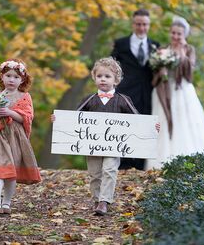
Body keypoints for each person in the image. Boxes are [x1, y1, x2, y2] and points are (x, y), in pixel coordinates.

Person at [51, 57, 160, 215]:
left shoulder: (123, 100)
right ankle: (97, 199)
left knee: (109, 170)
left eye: (107, 76)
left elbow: (138, 120)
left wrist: (151, 127)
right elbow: (73, 120)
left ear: (116, 80)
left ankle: (104, 201)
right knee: (94, 174)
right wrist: (59, 121)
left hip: (113, 146)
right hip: (92, 146)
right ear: (94, 77)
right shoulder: (88, 100)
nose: (103, 79)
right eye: (100, 76)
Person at [145, 16, 204, 170]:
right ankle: (160, 163)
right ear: (170, 33)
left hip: (182, 92)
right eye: (173, 33)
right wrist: (161, 70)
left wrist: (182, 55)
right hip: (164, 92)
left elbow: (190, 74)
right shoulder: (162, 50)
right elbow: (154, 72)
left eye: (179, 34)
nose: (176, 37)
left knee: (183, 124)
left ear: (185, 35)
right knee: (162, 125)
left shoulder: (189, 50)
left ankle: (186, 162)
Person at [0, 58, 42, 216]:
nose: (11, 79)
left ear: (22, 79)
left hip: (16, 136)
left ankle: (6, 202)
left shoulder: (25, 97)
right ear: (2, 77)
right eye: (8, 76)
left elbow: (27, 116)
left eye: (16, 77)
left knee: (11, 171)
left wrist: (10, 112)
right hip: (0, 135)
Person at [111, 8, 160, 170]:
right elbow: (111, 66)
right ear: (133, 24)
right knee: (125, 125)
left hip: (147, 92)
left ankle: (140, 164)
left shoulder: (155, 45)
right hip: (126, 92)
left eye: (145, 24)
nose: (142, 28)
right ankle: (123, 163)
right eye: (138, 24)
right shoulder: (121, 43)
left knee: (144, 126)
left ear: (149, 25)